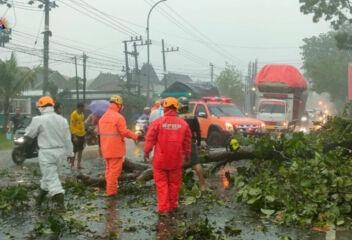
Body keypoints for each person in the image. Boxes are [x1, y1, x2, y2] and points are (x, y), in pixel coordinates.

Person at [25, 96, 74, 212]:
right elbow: (68, 139)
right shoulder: (62, 120)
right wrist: (70, 154)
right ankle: (39, 200)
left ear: (41, 107)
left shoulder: (38, 119)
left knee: (52, 179)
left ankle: (60, 206)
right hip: (61, 153)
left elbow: (29, 134)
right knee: (48, 177)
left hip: (47, 153)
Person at [144, 97, 192, 215]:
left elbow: (150, 139)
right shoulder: (183, 124)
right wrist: (187, 155)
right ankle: (173, 205)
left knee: (161, 185)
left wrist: (146, 152)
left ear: (164, 107)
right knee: (174, 184)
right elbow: (187, 142)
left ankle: (163, 208)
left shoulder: (158, 122)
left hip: (160, 161)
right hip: (176, 160)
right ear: (176, 108)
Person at [99, 95, 138, 197]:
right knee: (114, 173)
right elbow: (124, 132)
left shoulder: (103, 117)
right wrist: (135, 136)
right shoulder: (118, 117)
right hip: (116, 150)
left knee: (108, 171)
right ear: (119, 105)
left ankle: (110, 189)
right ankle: (111, 193)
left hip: (106, 149)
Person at [178, 97, 207, 190]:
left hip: (179, 144)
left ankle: (180, 187)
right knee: (196, 163)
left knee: (178, 165)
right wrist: (198, 144)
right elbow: (198, 132)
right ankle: (203, 185)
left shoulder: (177, 117)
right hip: (190, 142)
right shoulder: (193, 116)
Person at [70, 103, 86, 170]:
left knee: (80, 150)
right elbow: (72, 125)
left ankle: (79, 164)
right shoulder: (74, 114)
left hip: (82, 134)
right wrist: (74, 136)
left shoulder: (82, 115)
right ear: (79, 107)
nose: (84, 109)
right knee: (74, 151)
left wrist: (84, 135)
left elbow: (82, 125)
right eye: (83, 107)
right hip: (76, 135)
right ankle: (72, 165)